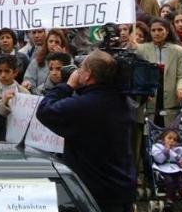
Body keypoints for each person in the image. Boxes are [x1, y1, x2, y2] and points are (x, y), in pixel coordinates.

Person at [37, 50, 136, 212]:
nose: (77, 72)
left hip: (95, 194)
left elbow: (45, 110)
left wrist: (67, 86)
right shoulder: (123, 101)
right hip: (122, 190)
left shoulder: (84, 106)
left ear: (88, 75)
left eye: (80, 68)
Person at [135, 18, 182, 127]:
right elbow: (137, 75)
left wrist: (180, 88)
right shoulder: (141, 49)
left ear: (167, 31)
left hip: (170, 99)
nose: (156, 33)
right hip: (149, 99)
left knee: (168, 137)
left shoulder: (178, 50)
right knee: (148, 137)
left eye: (160, 30)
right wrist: (143, 90)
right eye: (153, 30)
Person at [0, 54, 30, 140]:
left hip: (17, 138)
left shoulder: (24, 93)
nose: (3, 75)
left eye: (7, 71)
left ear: (15, 72)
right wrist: (2, 104)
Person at [150, 129, 182, 210]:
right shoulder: (157, 147)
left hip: (176, 168)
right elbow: (158, 159)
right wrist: (166, 150)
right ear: (163, 139)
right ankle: (169, 200)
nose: (172, 141)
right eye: (169, 138)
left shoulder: (179, 148)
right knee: (169, 181)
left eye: (174, 139)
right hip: (163, 168)